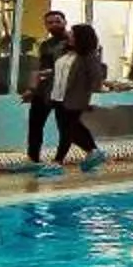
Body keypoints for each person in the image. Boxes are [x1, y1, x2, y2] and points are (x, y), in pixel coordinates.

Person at [40, 23, 106, 175]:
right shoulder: (67, 53)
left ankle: (57, 162)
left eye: (72, 33)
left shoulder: (89, 56)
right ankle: (93, 152)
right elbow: (62, 73)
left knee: (67, 131)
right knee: (73, 129)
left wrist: (87, 94)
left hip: (74, 99)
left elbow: (96, 79)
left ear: (80, 37)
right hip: (57, 97)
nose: (68, 35)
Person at [21, 9, 70, 166]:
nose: (54, 25)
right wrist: (32, 89)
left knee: (65, 126)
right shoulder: (45, 45)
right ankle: (33, 158)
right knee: (35, 125)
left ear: (64, 22)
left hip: (65, 92)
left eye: (57, 21)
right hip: (44, 91)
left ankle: (59, 160)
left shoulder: (73, 42)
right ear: (45, 26)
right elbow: (38, 68)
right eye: (50, 23)